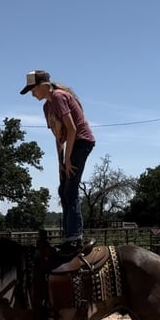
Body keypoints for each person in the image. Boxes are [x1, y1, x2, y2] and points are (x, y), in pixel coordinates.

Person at [20, 70, 95, 255]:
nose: (32, 93)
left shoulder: (60, 97)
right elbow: (58, 137)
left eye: (33, 89)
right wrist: (60, 162)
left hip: (81, 141)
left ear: (43, 85)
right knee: (63, 190)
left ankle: (75, 239)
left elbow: (72, 129)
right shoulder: (47, 107)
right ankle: (70, 237)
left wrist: (68, 159)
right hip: (69, 145)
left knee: (71, 189)